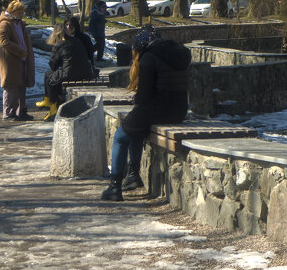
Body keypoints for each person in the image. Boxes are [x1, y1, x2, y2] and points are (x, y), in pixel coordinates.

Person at [102, 26, 191, 202]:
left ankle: (114, 187)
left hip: (156, 108)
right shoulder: (179, 54)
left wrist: (136, 99)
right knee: (134, 130)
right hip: (179, 110)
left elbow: (144, 96)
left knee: (121, 136)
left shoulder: (149, 58)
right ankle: (133, 176)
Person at [38, 15, 95, 120]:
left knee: (49, 77)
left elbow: (53, 65)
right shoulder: (77, 40)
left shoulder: (59, 44)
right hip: (86, 73)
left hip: (71, 74)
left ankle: (52, 106)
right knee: (53, 76)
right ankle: (49, 101)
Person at [0, 0, 35, 121]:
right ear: (13, 11)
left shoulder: (20, 24)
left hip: (22, 59)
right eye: (19, 12)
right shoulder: (5, 24)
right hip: (11, 61)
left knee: (22, 85)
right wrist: (19, 51)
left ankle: (21, 111)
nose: (21, 15)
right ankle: (9, 112)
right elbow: (4, 42)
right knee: (11, 86)